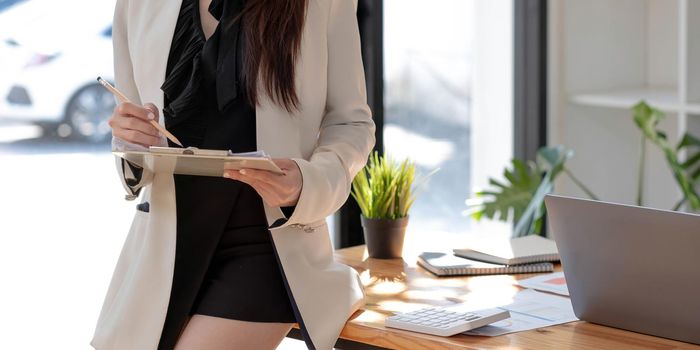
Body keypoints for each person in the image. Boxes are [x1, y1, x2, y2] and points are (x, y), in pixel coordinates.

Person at [90, 0, 375, 349]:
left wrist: (308, 183)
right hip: (164, 248)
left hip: (267, 243)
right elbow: (134, 131)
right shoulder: (138, 4)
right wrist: (129, 138)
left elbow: (351, 123)